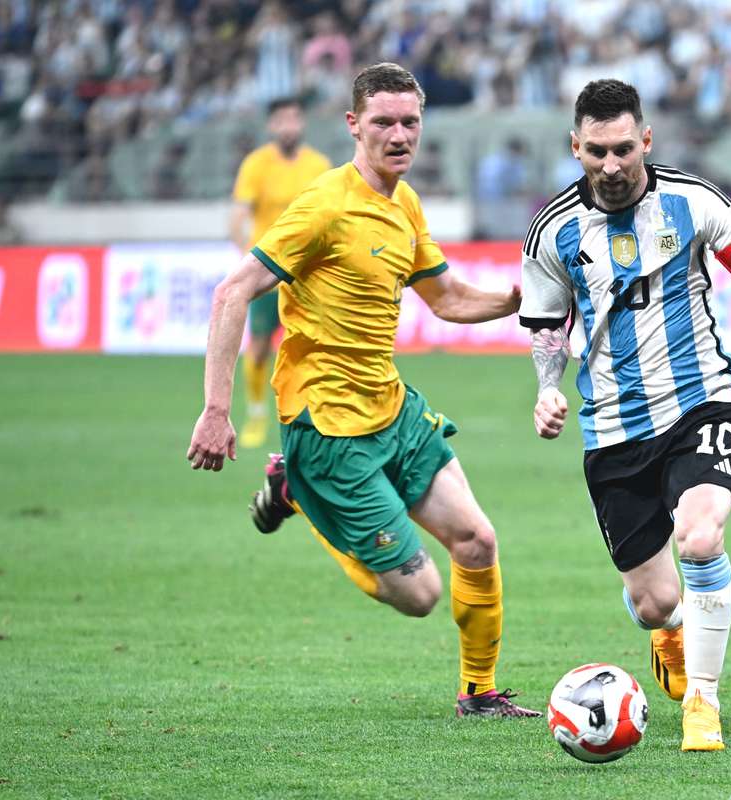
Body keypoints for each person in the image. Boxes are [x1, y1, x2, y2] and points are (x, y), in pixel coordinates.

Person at [186, 63, 538, 719]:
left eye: (410, 122)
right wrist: (216, 410)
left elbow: (447, 297)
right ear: (354, 125)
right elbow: (232, 292)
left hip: (391, 409)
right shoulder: (323, 207)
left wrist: (516, 304)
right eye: (383, 122)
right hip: (330, 432)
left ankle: (479, 692)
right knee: (420, 594)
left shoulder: (403, 201)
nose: (399, 134)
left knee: (477, 543)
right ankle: (297, 490)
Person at [520, 79, 731, 752]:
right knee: (652, 601)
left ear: (646, 139)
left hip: (703, 398)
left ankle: (702, 702)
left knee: (701, 537)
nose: (611, 165)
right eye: (596, 152)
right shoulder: (553, 229)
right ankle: (670, 635)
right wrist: (546, 386)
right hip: (614, 426)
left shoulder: (693, 200)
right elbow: (544, 324)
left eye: (624, 148)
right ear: (576, 146)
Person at [230, 96, 332, 449]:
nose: (289, 126)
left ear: (301, 123)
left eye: (294, 118)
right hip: (269, 271)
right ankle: (256, 412)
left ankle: (315, 414)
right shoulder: (256, 165)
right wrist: (249, 261)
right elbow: (238, 218)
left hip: (307, 276)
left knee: (314, 349)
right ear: (272, 126)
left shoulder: (319, 166)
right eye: (282, 120)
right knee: (258, 347)